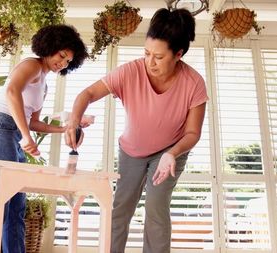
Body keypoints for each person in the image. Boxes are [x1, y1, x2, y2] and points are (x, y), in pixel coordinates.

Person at [65, 8, 208, 253]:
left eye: (159, 57)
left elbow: (193, 133)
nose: (150, 62)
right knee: (121, 207)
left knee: (156, 206)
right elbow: (87, 94)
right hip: (132, 152)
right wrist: (73, 122)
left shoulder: (193, 83)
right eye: (146, 53)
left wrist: (172, 153)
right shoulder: (130, 71)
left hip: (169, 152)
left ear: (179, 54)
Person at [0, 24, 88, 253]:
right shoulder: (31, 65)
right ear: (50, 46)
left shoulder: (43, 83)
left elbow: (33, 122)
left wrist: (65, 129)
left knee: (16, 206)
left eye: (68, 61)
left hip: (13, 136)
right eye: (61, 55)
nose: (63, 63)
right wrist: (26, 137)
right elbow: (11, 92)